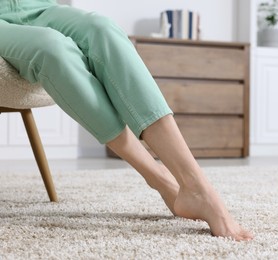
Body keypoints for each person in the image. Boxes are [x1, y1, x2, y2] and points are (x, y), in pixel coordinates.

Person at [0, 0, 253, 241]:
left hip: (38, 6)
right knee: (52, 48)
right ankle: (158, 177)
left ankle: (195, 184)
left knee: (104, 29)